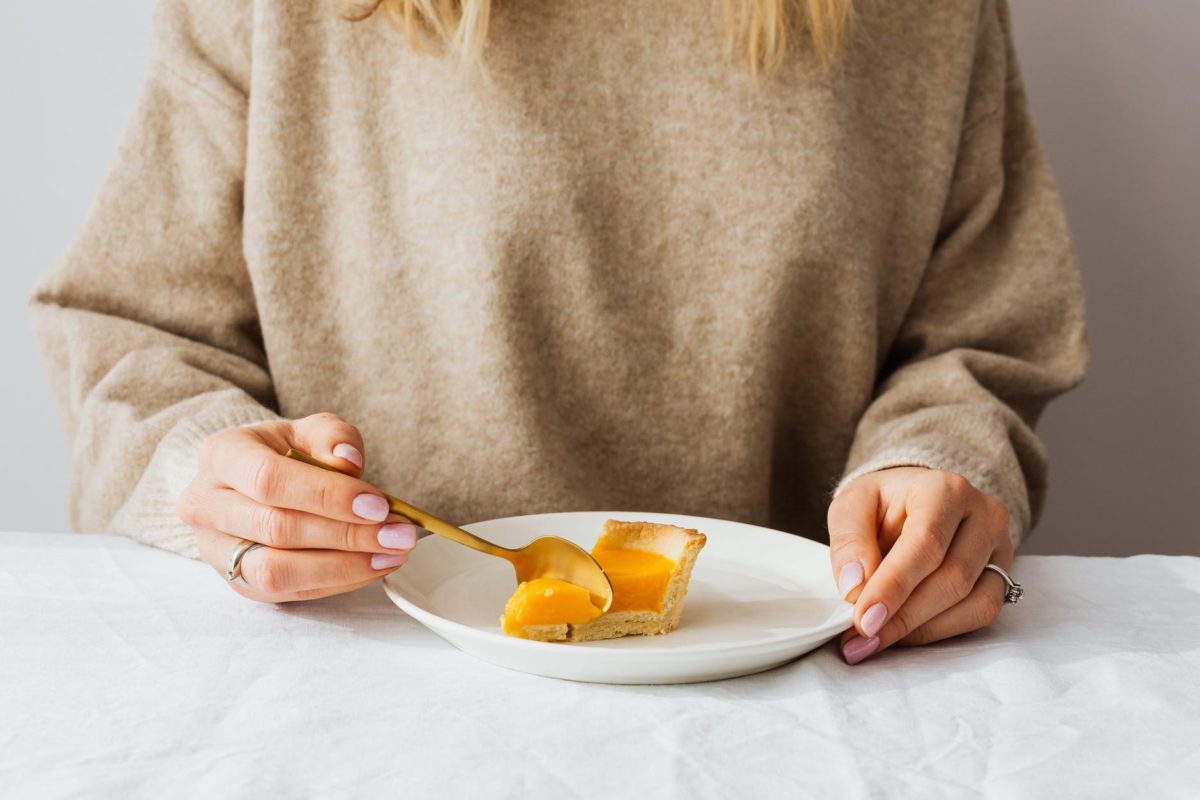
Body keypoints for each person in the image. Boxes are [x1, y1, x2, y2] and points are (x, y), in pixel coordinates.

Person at [30, 0, 1086, 666]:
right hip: (369, 687)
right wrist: (213, 478)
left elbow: (982, 337)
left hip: (804, 696)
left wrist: (937, 465)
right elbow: (132, 336)